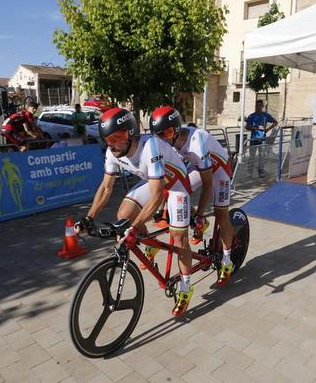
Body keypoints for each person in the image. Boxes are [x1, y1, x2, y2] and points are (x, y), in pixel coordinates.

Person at [74, 108, 196, 317]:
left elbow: (158, 196)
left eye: (118, 137)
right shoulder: (113, 152)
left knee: (178, 238)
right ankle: (151, 243)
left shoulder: (151, 147)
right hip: (153, 179)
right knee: (124, 214)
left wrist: (131, 228)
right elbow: (106, 188)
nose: (112, 144)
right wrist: (89, 217)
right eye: (107, 139)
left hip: (176, 184)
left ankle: (186, 287)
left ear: (130, 134)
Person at [149, 106, 235, 287]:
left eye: (168, 133)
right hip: (198, 165)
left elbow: (208, 183)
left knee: (221, 215)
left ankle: (227, 261)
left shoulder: (196, 142)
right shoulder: (166, 143)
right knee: (181, 191)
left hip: (219, 169)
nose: (163, 138)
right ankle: (196, 219)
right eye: (159, 135)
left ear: (177, 129)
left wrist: (202, 213)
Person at [245, 100, 278, 178]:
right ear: (255, 106)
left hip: (262, 139)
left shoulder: (265, 115)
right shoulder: (251, 116)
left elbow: (275, 122)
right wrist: (254, 128)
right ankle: (250, 172)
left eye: (260, 106)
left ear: (262, 107)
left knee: (261, 157)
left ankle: (261, 172)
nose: (258, 107)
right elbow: (247, 127)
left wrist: (268, 129)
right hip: (253, 139)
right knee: (252, 156)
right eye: (257, 106)